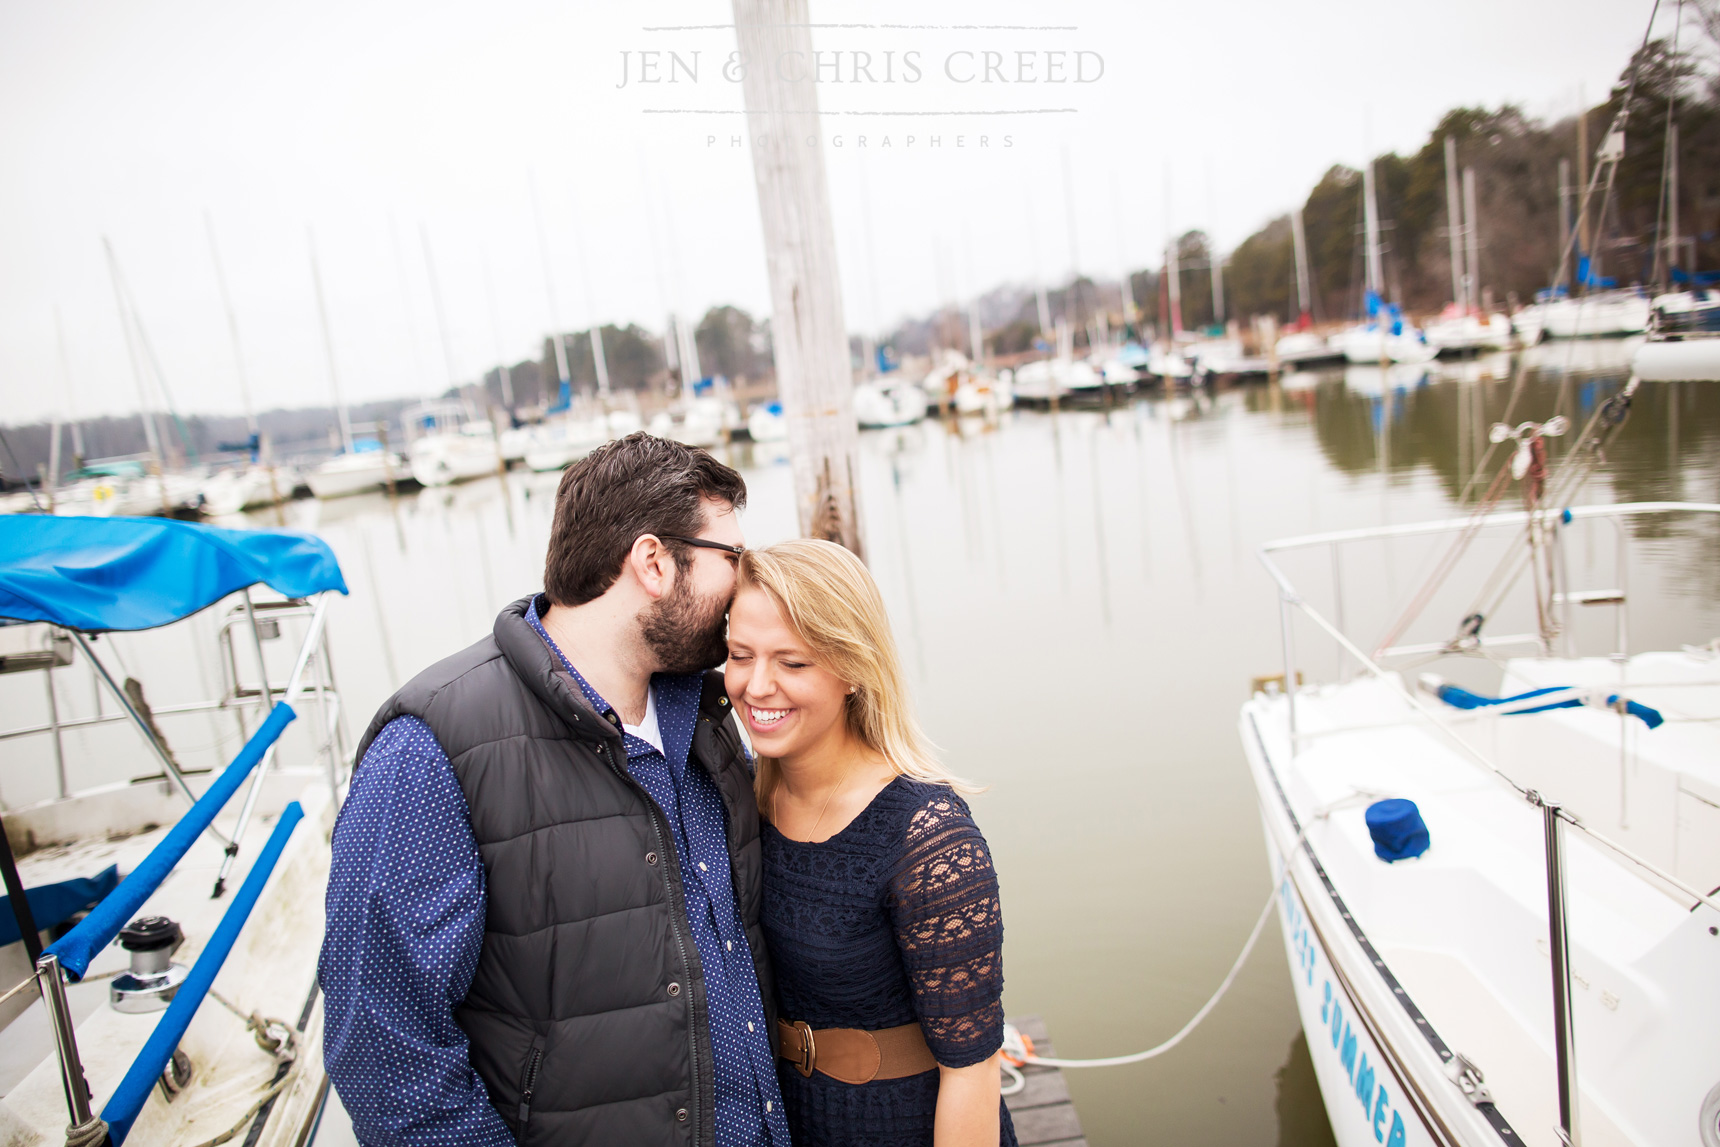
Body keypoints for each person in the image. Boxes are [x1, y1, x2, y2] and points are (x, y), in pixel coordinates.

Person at [319, 433, 793, 1146]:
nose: (744, 584)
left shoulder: (704, 714)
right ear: (655, 562)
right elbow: (388, 1062)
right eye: (733, 558)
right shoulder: (431, 750)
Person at [724, 539, 1016, 1147]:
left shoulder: (928, 837)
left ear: (853, 668)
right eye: (738, 655)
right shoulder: (737, 802)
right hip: (780, 1122)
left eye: (793, 663)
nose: (756, 686)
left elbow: (974, 1067)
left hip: (903, 1124)